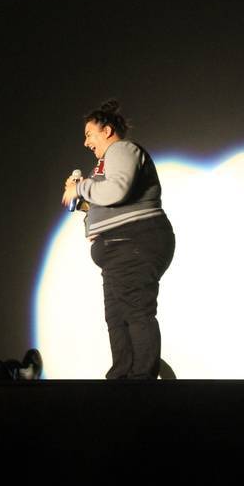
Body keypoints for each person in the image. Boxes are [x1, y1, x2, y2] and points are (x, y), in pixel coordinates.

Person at [61, 100, 175, 379]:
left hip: (133, 242)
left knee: (135, 312)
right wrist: (81, 202)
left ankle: (142, 380)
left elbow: (117, 190)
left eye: (89, 134)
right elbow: (108, 202)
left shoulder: (122, 150)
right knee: (117, 318)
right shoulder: (106, 162)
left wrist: (81, 187)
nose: (86, 142)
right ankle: (122, 379)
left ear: (107, 130)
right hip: (119, 248)